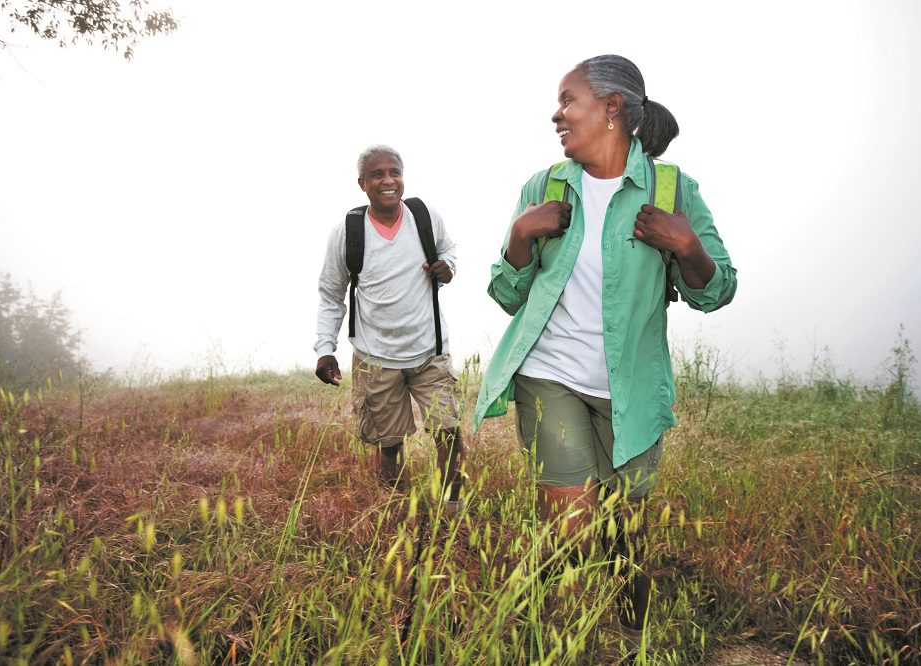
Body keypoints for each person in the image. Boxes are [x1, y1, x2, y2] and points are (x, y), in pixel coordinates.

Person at [472, 55, 736, 645]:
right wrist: (520, 235)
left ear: (612, 109)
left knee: (627, 530)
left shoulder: (673, 191)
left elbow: (717, 290)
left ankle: (632, 636)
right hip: (549, 375)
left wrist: (686, 245)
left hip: (629, 388)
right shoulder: (545, 187)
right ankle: (550, 639)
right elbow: (506, 290)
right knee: (569, 529)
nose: (556, 115)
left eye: (568, 101)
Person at [315, 145, 465, 509]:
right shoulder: (348, 232)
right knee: (389, 444)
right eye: (378, 174)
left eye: (394, 172)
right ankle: (395, 510)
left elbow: (449, 253)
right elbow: (331, 294)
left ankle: (453, 510)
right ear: (362, 183)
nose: (388, 181)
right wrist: (325, 350)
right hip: (375, 358)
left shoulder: (424, 216)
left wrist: (448, 268)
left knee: (448, 434)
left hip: (430, 351)